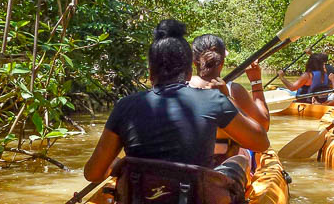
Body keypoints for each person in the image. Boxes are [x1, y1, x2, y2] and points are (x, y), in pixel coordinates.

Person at [84, 19, 269, 187]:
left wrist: (118, 164)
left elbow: (92, 173)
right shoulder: (215, 100)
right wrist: (227, 98)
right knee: (240, 159)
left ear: (150, 74)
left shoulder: (124, 106)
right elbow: (261, 143)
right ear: (189, 73)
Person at [188, 34, 270, 164]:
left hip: (192, 165)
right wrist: (256, 82)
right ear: (222, 62)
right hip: (226, 166)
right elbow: (263, 126)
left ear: (193, 61)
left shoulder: (180, 88)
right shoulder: (234, 90)